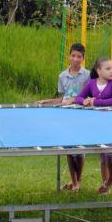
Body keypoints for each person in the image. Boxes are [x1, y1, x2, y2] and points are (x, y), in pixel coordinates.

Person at [37, 43, 88, 191]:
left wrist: (76, 100)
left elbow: (88, 96)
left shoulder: (87, 75)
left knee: (80, 151)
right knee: (69, 150)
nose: (76, 59)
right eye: (73, 56)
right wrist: (46, 101)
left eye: (79, 56)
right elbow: (62, 99)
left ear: (83, 58)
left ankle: (78, 180)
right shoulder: (62, 76)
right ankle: (75, 182)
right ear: (69, 56)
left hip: (82, 117)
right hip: (67, 118)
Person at [76, 57, 112, 194]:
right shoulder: (91, 83)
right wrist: (84, 101)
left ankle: (111, 179)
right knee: (103, 156)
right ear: (98, 71)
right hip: (98, 125)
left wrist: (95, 102)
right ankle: (106, 184)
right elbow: (79, 97)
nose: (111, 71)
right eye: (108, 69)